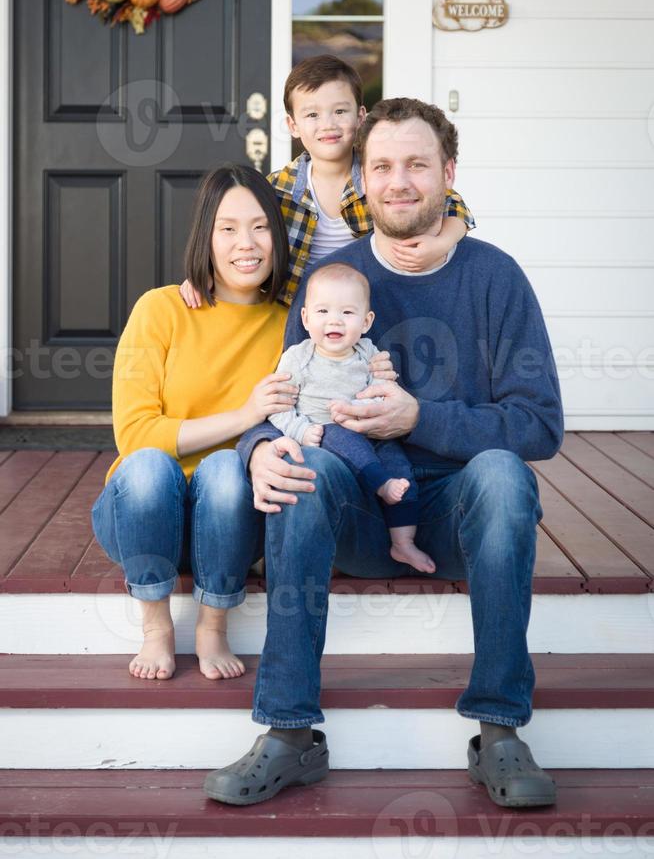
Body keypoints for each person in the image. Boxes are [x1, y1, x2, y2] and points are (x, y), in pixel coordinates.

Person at [203, 99, 564, 810]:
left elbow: (540, 424)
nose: (398, 181)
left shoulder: (496, 277)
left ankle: (498, 731)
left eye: (416, 164)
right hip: (359, 519)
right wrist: (255, 451)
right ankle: (289, 732)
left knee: (502, 472)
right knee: (301, 465)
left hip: (460, 519)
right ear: (362, 182)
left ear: (448, 173)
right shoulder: (331, 281)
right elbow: (285, 397)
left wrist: (418, 417)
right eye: (382, 166)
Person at [91, 164, 294, 682]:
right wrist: (245, 414)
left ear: (278, 233)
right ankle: (156, 627)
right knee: (149, 467)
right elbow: (135, 435)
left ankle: (212, 625)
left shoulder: (291, 325)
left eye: (259, 226)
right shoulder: (161, 309)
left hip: (229, 521)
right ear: (205, 237)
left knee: (228, 468)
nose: (245, 244)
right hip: (142, 515)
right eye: (226, 228)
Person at [179, 54, 476, 309]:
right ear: (292, 125)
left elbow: (454, 205)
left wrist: (442, 242)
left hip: (369, 308)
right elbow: (237, 230)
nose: (328, 124)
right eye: (312, 114)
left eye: (340, 111)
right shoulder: (277, 187)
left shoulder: (379, 178)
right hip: (300, 310)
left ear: (360, 116)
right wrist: (205, 273)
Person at [268, 261, 435, 574]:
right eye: (323, 312)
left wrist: (375, 403)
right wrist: (302, 431)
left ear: (366, 321)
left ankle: (403, 541)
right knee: (341, 435)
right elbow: (279, 406)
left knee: (401, 466)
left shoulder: (368, 353)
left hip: (371, 433)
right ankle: (381, 485)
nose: (335, 321)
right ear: (305, 318)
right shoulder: (299, 357)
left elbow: (383, 389)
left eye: (347, 313)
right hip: (325, 435)